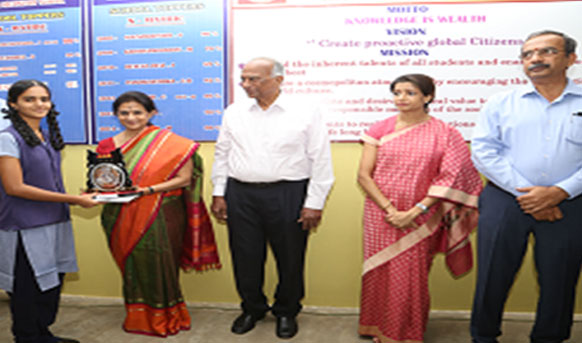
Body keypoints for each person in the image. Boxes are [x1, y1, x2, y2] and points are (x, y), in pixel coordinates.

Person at [470, 30, 582, 343]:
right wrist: (530, 194)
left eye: (547, 51)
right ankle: (483, 336)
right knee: (493, 274)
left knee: (560, 277)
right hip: (505, 199)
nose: (535, 59)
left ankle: (550, 337)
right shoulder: (501, 103)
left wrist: (559, 192)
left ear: (570, 59)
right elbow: (483, 150)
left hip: (571, 203)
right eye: (527, 54)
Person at [210, 57, 334, 339]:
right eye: (244, 79)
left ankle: (287, 311)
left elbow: (320, 159)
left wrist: (314, 202)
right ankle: (252, 308)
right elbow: (222, 153)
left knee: (290, 256)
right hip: (240, 193)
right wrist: (219, 192)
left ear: (278, 80)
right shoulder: (234, 111)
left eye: (254, 79)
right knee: (245, 256)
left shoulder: (305, 111)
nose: (246, 84)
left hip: (288, 192)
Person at [357, 74, 483, 343]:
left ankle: (403, 332)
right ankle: (376, 326)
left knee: (410, 276)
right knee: (379, 271)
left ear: (428, 97)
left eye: (409, 93)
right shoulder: (380, 129)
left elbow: (450, 177)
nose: (401, 98)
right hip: (381, 214)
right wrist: (390, 209)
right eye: (397, 92)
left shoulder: (446, 133)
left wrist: (414, 211)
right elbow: (364, 176)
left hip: (422, 216)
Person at [97, 91, 221, 337]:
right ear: (116, 115)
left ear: (151, 113)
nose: (131, 118)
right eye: (124, 113)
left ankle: (166, 315)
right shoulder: (107, 145)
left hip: (161, 213)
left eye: (137, 112)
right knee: (132, 265)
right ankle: (137, 316)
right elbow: (104, 178)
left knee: (160, 264)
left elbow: (184, 179)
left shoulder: (173, 145)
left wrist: (146, 191)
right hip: (119, 213)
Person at [0, 79, 99, 343]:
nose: (39, 104)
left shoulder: (46, 137)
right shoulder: (7, 139)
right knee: (27, 287)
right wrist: (72, 200)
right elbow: (14, 187)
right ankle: (27, 336)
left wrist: (75, 197)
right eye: (29, 99)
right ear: (13, 104)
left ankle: (43, 333)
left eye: (43, 99)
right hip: (24, 225)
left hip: (55, 219)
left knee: (52, 281)